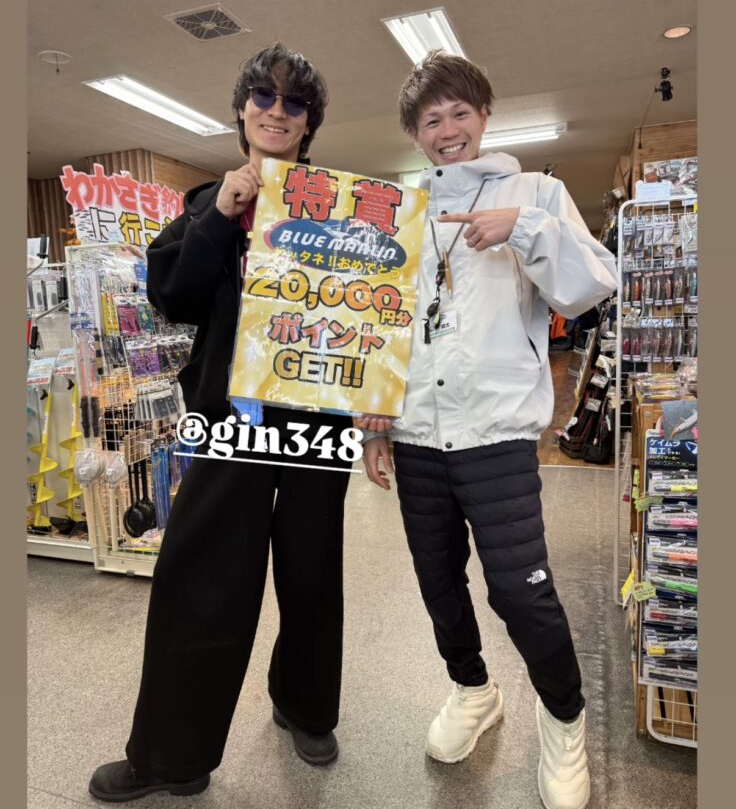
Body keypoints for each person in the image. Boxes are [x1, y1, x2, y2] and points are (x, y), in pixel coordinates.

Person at [90, 43, 352, 802]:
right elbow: (170, 297)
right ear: (241, 109)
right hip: (229, 417)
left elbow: (373, 321)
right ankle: (171, 756)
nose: (278, 111)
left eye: (294, 103)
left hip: (318, 419)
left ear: (309, 122)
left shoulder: (339, 206)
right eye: (264, 97)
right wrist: (221, 215)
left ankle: (305, 705)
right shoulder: (207, 203)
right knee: (200, 574)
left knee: (312, 570)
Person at [359, 51, 617, 809]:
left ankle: (563, 717)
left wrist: (525, 229)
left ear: (484, 116)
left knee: (521, 592)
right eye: (430, 120)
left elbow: (591, 285)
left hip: (496, 432)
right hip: (415, 433)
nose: (447, 130)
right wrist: (373, 417)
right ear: (414, 133)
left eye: (459, 113)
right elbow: (381, 321)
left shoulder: (536, 192)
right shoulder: (397, 213)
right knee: (437, 581)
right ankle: (473, 689)